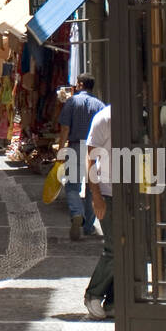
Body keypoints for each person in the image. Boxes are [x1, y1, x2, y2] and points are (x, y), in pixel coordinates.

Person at [58, 74, 105, 241]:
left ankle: (77, 213)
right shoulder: (100, 105)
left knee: (72, 186)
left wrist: (61, 149)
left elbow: (65, 128)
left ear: (79, 84)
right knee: (93, 187)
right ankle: (88, 226)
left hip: (76, 146)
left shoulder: (72, 102)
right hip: (95, 148)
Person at [85, 103, 114, 319]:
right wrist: (96, 196)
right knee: (114, 247)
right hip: (108, 192)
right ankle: (93, 294)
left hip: (133, 191)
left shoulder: (141, 116)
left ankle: (114, 300)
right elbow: (90, 159)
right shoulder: (104, 118)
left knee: (129, 247)